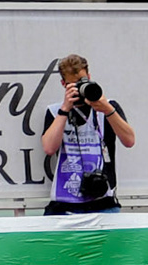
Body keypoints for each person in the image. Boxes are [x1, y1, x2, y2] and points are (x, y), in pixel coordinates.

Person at [41, 54, 136, 215]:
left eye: (82, 82)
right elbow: (49, 148)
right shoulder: (55, 111)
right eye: (73, 85)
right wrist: (65, 109)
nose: (79, 88)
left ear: (89, 77)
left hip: (103, 199)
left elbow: (129, 140)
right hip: (64, 202)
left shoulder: (108, 107)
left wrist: (106, 109)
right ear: (63, 84)